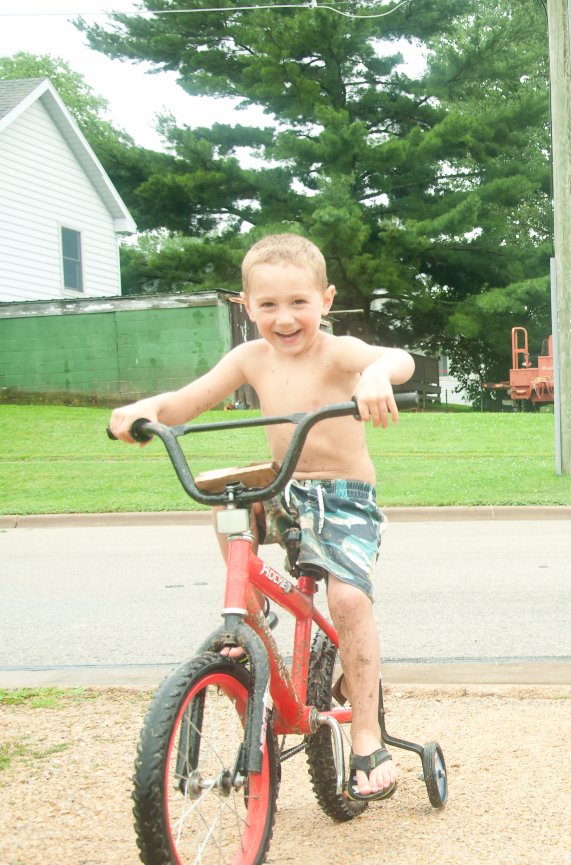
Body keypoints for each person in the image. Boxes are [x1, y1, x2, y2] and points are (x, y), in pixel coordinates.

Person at [109, 233, 415, 800]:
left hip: (343, 496)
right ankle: (253, 620)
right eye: (268, 304)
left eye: (299, 302)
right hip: (282, 486)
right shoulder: (249, 357)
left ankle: (368, 736)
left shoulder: (338, 352)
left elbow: (398, 359)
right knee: (226, 511)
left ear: (325, 300)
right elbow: (188, 402)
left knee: (348, 600)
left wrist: (376, 376)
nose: (285, 318)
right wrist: (148, 408)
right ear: (247, 306)